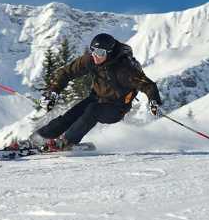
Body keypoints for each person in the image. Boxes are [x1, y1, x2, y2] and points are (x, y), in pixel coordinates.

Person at [30, 33, 162, 151]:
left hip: (117, 107)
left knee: (93, 110)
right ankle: (40, 137)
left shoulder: (124, 68)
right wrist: (53, 92)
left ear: (109, 53)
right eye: (93, 51)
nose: (96, 56)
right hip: (96, 98)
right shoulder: (92, 59)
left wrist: (153, 100)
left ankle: (67, 141)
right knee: (72, 114)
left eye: (100, 53)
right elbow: (66, 72)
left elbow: (148, 85)